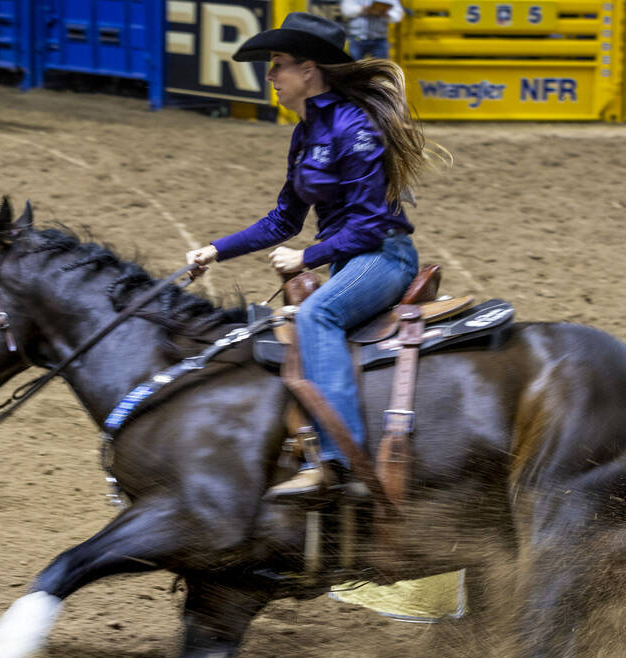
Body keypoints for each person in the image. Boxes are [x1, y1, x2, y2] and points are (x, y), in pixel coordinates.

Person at [185, 12, 441, 499]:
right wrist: (215, 251)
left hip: (383, 257)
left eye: (278, 64)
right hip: (351, 260)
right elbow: (282, 220)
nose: (270, 76)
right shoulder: (305, 133)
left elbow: (368, 227)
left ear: (309, 70)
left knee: (318, 316)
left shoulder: (356, 127)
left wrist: (307, 258)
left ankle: (339, 462)